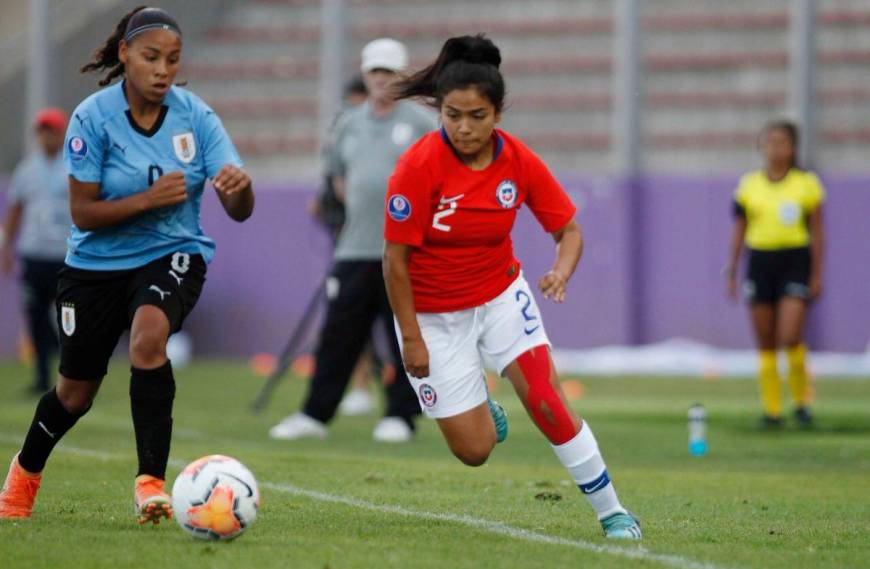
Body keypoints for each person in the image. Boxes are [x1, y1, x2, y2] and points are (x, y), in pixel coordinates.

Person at [0, 7, 254, 523]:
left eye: (173, 60)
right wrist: (149, 198)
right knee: (74, 392)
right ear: (125, 54)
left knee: (147, 340)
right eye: (151, 57)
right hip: (94, 264)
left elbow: (239, 209)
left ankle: (150, 484)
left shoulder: (196, 118)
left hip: (172, 251)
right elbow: (83, 213)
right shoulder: (92, 117)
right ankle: (22, 478)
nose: (163, 69)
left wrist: (239, 192)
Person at [382, 35, 641, 539]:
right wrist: (411, 336)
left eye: (476, 115)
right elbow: (394, 260)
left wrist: (561, 272)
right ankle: (480, 399)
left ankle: (612, 512)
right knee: (474, 451)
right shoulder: (417, 167)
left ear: (497, 113)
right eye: (452, 115)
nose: (463, 127)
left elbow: (569, 231)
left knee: (547, 401)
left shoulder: (518, 161)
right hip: (432, 315)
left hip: (500, 296)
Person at [269, 38, 436, 443]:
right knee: (338, 335)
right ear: (366, 74)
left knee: (403, 335)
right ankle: (316, 413)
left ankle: (401, 413)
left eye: (390, 72)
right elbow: (339, 178)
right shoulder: (349, 122)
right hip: (355, 247)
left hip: (404, 251)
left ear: (403, 75)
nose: (382, 80)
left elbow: (437, 182)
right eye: (376, 72)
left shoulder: (419, 123)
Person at [726, 120, 824, 428]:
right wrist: (732, 269)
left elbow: (818, 233)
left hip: (795, 260)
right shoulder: (749, 185)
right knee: (766, 340)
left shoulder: (806, 184)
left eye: (782, 142)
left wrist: (817, 274)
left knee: (790, 335)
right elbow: (740, 229)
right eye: (770, 142)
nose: (775, 148)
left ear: (792, 148)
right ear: (761, 147)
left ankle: (802, 402)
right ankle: (772, 411)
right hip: (760, 262)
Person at [1, 108, 71, 394]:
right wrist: (7, 247)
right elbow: (15, 211)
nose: (47, 135)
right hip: (34, 255)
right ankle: (42, 378)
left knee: (70, 321)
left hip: (67, 256)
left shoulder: (74, 166)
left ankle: (75, 378)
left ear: (61, 133)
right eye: (43, 130)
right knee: (37, 319)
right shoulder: (26, 170)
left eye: (52, 129)